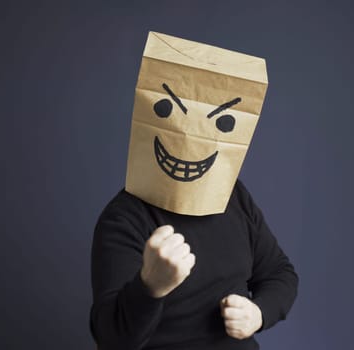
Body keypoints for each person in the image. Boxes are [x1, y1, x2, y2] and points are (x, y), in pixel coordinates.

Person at [89, 31, 299, 350]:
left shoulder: (234, 197)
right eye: (165, 110)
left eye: (224, 123)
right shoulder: (125, 218)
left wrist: (259, 312)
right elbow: (112, 337)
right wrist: (150, 286)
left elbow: (280, 274)